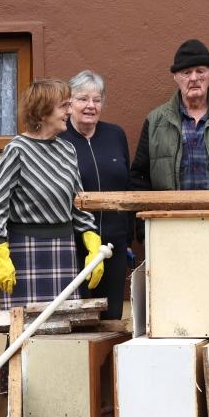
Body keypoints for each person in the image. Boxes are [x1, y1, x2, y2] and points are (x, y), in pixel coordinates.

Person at [0, 79, 104, 312]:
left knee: (63, 329)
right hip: (24, 250)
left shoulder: (67, 150)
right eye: (64, 106)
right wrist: (0, 254)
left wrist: (93, 243)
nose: (69, 112)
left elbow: (77, 204)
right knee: (23, 333)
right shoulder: (17, 149)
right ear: (42, 110)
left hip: (63, 248)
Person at [130, 39, 209, 200]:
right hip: (172, 221)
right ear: (175, 77)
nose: (194, 78)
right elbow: (140, 177)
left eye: (200, 71)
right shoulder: (154, 122)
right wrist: (146, 225)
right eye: (186, 72)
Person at [59, 70, 131, 320]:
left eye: (97, 99)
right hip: (73, 246)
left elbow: (127, 185)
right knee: (77, 321)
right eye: (82, 99)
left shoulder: (115, 135)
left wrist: (127, 236)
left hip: (113, 247)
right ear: (68, 103)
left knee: (111, 319)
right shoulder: (58, 137)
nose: (90, 105)